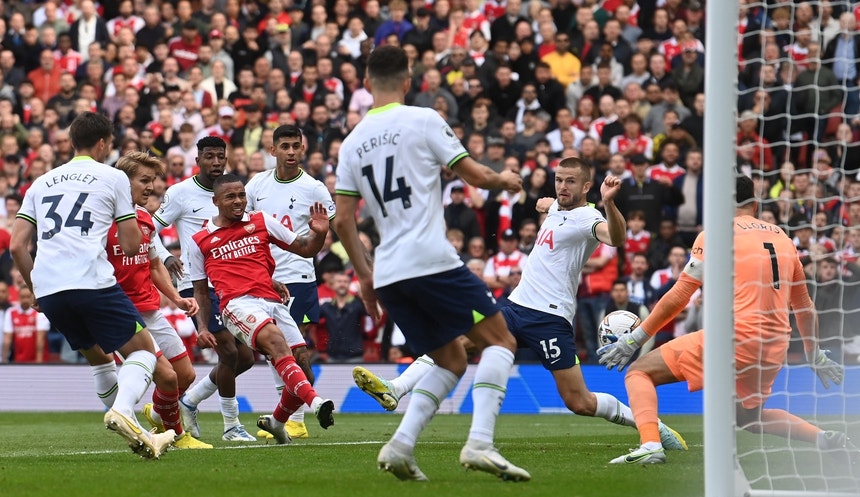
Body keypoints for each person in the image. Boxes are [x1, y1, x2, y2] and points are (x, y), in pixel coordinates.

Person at [352, 157, 686, 451]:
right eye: (559, 179)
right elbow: (549, 207)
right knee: (455, 342)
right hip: (514, 308)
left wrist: (609, 204)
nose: (562, 186)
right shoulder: (557, 208)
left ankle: (651, 426)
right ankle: (397, 389)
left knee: (578, 401)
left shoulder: (588, 217)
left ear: (587, 186)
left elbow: (616, 238)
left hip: (550, 320)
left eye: (570, 181)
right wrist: (546, 205)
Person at [333, 45, 529, 482]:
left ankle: (400, 446)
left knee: (452, 359)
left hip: (388, 271)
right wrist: (504, 178)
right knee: (500, 342)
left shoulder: (351, 144)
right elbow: (475, 176)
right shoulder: (423, 119)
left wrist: (365, 278)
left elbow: (343, 220)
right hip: (431, 259)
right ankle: (480, 442)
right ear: (407, 82)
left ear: (366, 84)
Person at [597, 176, 852, 465]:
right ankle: (823, 438)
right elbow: (804, 306)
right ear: (755, 204)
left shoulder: (716, 234)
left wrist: (636, 337)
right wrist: (814, 355)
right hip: (774, 346)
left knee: (639, 371)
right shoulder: (783, 238)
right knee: (748, 418)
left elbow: (681, 294)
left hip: (735, 338)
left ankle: (651, 444)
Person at [9, 112, 175, 458]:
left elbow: (16, 246)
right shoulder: (113, 177)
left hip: (52, 291)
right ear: (103, 143)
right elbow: (131, 246)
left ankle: (138, 434)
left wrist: (36, 288)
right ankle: (124, 411)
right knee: (143, 351)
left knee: (100, 361)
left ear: (72, 142)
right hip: (91, 282)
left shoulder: (40, 181)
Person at [186, 173, 335, 445]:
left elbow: (304, 248)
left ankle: (277, 422)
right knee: (276, 344)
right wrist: (204, 327)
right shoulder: (199, 240)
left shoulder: (261, 220)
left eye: (242, 195)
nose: (239, 201)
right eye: (230, 196)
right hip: (237, 305)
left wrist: (320, 233)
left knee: (304, 366)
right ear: (215, 201)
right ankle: (316, 403)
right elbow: (200, 291)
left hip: (271, 300)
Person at [153, 136, 257, 442]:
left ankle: (191, 400)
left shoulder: (233, 192)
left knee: (246, 358)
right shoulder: (181, 193)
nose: (215, 162)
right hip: (197, 285)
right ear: (198, 159)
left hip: (231, 285)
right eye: (209, 156)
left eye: (220, 157)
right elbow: (150, 227)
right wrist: (166, 256)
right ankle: (231, 426)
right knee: (227, 352)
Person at [107, 151, 212, 449]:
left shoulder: (144, 220)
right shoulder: (102, 219)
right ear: (122, 182)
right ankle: (178, 436)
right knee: (166, 377)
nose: (151, 187)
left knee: (185, 375)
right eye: (144, 180)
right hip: (121, 314)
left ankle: (156, 412)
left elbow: (154, 265)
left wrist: (177, 298)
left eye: (153, 180)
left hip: (151, 310)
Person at [245, 124, 335, 439]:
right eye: (285, 146)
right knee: (275, 349)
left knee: (290, 349)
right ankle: (288, 418)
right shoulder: (256, 185)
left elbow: (333, 228)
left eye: (296, 146)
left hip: (298, 276)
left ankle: (294, 419)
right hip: (263, 278)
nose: (292, 152)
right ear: (273, 151)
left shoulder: (315, 188)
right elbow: (244, 227)